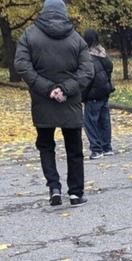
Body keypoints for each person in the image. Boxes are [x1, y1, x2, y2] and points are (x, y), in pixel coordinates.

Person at [14, 0, 94, 207]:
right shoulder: (77, 39)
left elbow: (22, 64)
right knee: (74, 149)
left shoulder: (29, 35)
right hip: (70, 101)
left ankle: (54, 188)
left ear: (44, 11)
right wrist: (65, 89)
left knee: (46, 146)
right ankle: (76, 193)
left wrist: (47, 88)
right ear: (64, 13)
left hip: (42, 101)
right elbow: (87, 71)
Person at [82, 29, 115, 160]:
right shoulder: (102, 53)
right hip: (104, 91)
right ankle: (107, 147)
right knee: (104, 121)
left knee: (90, 122)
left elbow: (87, 78)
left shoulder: (87, 56)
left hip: (93, 93)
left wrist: (82, 96)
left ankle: (96, 149)